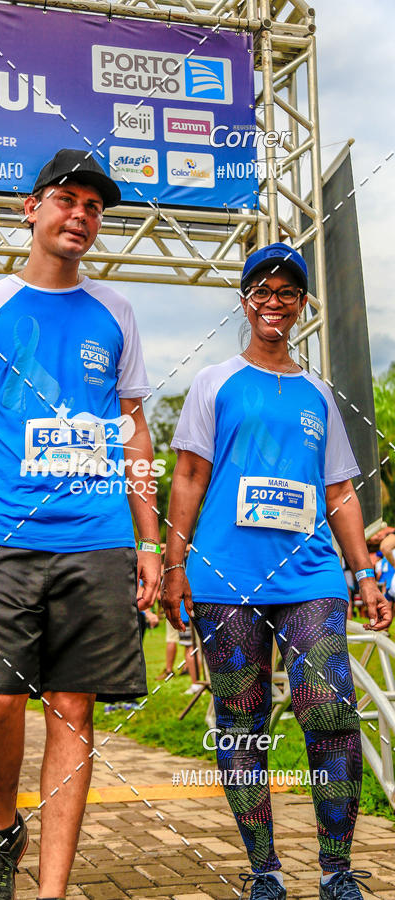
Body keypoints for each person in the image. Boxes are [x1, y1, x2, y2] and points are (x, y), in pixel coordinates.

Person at [0, 148, 160, 900]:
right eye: (67, 199)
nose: (81, 215)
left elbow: (137, 434)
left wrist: (150, 540)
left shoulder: (117, 314)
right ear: (31, 208)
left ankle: (51, 891)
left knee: (73, 707)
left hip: (99, 543)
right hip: (1, 537)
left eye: (94, 207)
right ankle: (2, 829)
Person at [162, 242, 392, 900]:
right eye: (262, 290)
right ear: (244, 300)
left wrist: (365, 574)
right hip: (225, 577)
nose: (274, 300)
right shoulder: (215, 382)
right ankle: (265, 873)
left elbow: (341, 491)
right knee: (242, 720)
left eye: (287, 291)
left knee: (329, 713)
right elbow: (189, 476)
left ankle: (337, 872)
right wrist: (173, 564)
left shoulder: (318, 394)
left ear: (301, 306)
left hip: (311, 577)